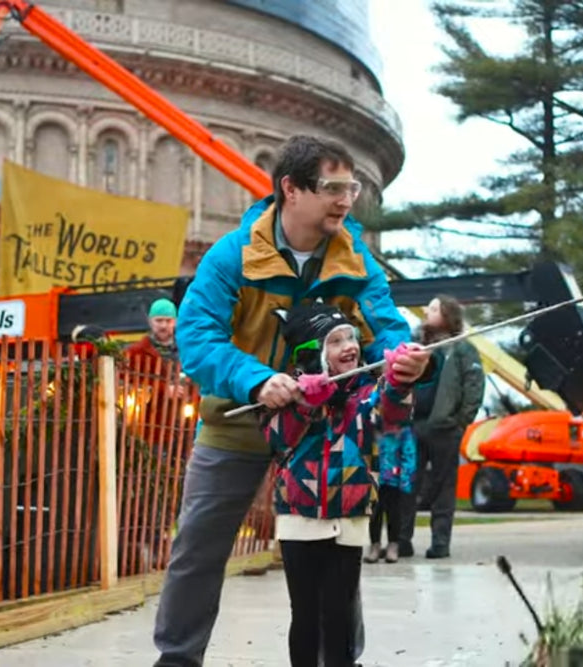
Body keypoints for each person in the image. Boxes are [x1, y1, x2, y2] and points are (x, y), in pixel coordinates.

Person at [152, 134, 435, 667]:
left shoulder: (356, 260)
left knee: (338, 559)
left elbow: (386, 328)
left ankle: (338, 659)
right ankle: (177, 658)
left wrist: (406, 361)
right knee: (198, 549)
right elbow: (196, 336)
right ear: (291, 189)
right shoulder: (231, 257)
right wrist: (257, 381)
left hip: (325, 438)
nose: (346, 199)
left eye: (350, 187)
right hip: (236, 427)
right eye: (332, 187)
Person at [261, 301, 416, 666]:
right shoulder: (287, 392)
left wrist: (399, 383)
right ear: (313, 353)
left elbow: (393, 417)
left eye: (351, 338)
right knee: (305, 614)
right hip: (298, 518)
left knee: (339, 611)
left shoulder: (365, 394)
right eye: (335, 341)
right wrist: (305, 403)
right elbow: (277, 441)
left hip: (350, 517)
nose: (349, 346)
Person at [397, 295, 485, 560]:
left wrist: (460, 422)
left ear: (448, 315)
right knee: (407, 485)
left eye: (434, 309)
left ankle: (440, 543)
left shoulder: (462, 350)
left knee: (444, 487)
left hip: (445, 429)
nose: (426, 311)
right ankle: (402, 540)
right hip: (413, 426)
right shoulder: (414, 345)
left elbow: (474, 386)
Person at [363, 397, 417, 564]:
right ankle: (375, 545)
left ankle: (393, 545)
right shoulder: (372, 429)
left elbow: (409, 455)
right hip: (375, 479)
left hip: (394, 479)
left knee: (394, 513)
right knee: (375, 513)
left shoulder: (404, 431)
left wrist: (406, 479)